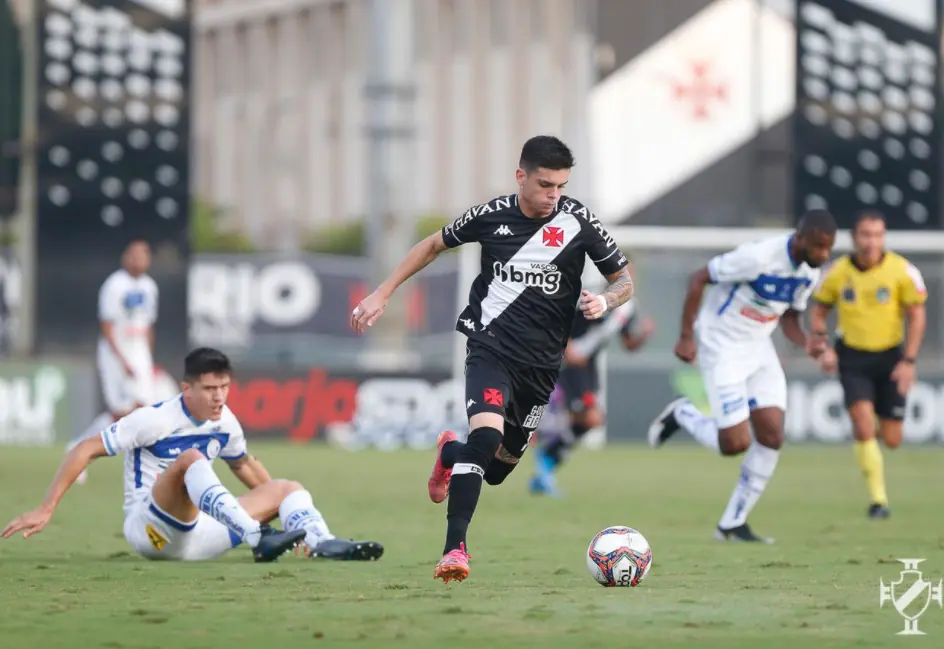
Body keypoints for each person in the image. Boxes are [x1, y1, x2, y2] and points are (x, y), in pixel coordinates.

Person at [351, 135, 633, 582]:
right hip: (490, 348)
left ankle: (449, 452)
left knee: (498, 468)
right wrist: (382, 293)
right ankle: (454, 550)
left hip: (541, 366)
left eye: (560, 186)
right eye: (544, 184)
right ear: (521, 176)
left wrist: (607, 300)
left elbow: (624, 280)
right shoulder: (491, 216)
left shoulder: (579, 221)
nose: (553, 195)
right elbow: (431, 245)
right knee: (484, 441)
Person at [3, 348, 385, 563]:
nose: (219, 397)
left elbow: (245, 465)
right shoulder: (153, 419)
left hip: (201, 537)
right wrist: (47, 506)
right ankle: (258, 538)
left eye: (224, 387)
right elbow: (86, 447)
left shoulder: (226, 422)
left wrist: (283, 513)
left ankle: (320, 542)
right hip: (150, 532)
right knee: (190, 460)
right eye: (209, 389)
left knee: (287, 488)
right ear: (186, 389)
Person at [647, 211, 836, 543]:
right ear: (801, 237)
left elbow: (791, 316)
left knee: (773, 435)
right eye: (819, 246)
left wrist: (809, 342)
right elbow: (698, 278)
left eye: (829, 248)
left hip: (759, 347)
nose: (824, 255)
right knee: (735, 444)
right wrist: (686, 335)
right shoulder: (758, 257)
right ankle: (684, 413)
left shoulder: (810, 271)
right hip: (721, 346)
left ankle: (732, 523)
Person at [810, 212, 927, 519]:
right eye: (865, 234)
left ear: (883, 237)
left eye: (877, 235)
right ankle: (879, 501)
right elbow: (819, 313)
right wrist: (824, 347)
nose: (871, 241)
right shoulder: (836, 272)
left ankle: (871, 435)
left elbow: (917, 316)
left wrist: (909, 361)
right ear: (854, 238)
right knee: (862, 423)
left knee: (892, 439)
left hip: (891, 358)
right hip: (852, 358)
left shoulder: (902, 271)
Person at [529, 295, 653, 496]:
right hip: (570, 361)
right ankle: (544, 457)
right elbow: (561, 316)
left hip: (587, 366)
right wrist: (566, 346)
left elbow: (629, 343)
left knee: (591, 419)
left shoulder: (627, 306)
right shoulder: (593, 297)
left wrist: (644, 335)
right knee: (588, 417)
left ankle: (545, 461)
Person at [69, 240, 158, 485]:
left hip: (139, 351)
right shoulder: (114, 285)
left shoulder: (150, 286)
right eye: (134, 254)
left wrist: (146, 359)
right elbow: (107, 326)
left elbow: (148, 325)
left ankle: (144, 467)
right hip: (116, 351)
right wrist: (122, 360)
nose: (139, 259)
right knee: (119, 413)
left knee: (145, 408)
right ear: (125, 257)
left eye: (144, 255)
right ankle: (79, 448)